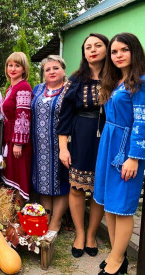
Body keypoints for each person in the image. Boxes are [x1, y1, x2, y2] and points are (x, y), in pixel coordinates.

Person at [94, 33, 145, 275]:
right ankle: (118, 255)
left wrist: (134, 157)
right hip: (109, 144)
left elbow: (142, 123)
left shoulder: (140, 82)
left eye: (124, 50)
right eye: (114, 52)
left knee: (122, 207)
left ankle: (115, 262)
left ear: (134, 51)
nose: (118, 55)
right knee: (109, 204)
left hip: (126, 150)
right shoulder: (115, 81)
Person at [57, 33, 109, 258]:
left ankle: (91, 234)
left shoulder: (116, 78)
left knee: (99, 190)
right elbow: (64, 115)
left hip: (108, 137)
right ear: (83, 52)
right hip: (80, 137)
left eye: (98, 45)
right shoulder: (76, 79)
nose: (93, 50)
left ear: (107, 49)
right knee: (78, 187)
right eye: (88, 46)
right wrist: (63, 148)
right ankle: (79, 233)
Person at [31, 55, 69, 232]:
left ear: (63, 70)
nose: (52, 72)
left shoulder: (69, 90)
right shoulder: (37, 89)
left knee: (61, 182)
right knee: (43, 181)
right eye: (47, 69)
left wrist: (65, 146)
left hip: (62, 144)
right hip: (39, 146)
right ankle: (45, 215)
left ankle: (56, 220)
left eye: (55, 68)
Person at [0, 52, 32, 206]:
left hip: (18, 136)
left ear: (24, 69)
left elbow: (23, 116)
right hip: (9, 134)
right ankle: (12, 209)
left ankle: (19, 210)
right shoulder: (11, 87)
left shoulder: (23, 87)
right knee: (11, 171)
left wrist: (18, 142)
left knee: (19, 172)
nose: (13, 69)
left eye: (17, 66)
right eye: (10, 65)